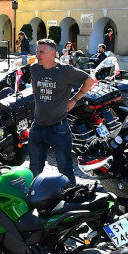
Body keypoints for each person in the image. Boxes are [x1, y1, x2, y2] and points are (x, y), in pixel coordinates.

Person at [28, 38, 95, 185]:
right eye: (37, 51)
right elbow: (34, 85)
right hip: (37, 126)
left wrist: (74, 100)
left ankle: (70, 195)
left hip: (59, 128)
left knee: (65, 168)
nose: (37, 55)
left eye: (41, 52)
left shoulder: (65, 70)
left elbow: (90, 80)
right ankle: (34, 194)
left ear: (53, 53)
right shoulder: (35, 68)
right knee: (34, 168)